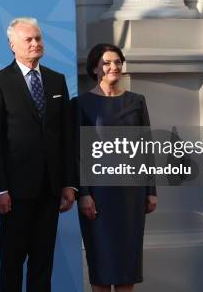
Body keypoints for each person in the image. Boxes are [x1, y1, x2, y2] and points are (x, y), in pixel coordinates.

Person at [0, 17, 77, 292]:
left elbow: (66, 136)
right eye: (29, 40)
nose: (36, 43)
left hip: (50, 189)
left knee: (43, 263)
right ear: (13, 45)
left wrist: (69, 183)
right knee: (12, 263)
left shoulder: (57, 81)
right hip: (15, 192)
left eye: (38, 38)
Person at [74, 43, 158, 292]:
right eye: (107, 63)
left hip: (130, 195)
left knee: (126, 267)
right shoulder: (81, 104)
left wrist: (150, 190)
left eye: (118, 62)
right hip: (98, 196)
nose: (114, 67)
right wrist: (84, 193)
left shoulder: (137, 101)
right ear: (95, 68)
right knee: (101, 265)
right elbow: (77, 154)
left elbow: (146, 148)